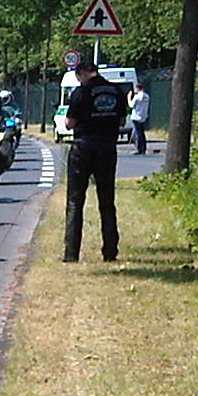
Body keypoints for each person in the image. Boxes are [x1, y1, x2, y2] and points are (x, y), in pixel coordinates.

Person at [63, 59, 129, 262]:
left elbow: (69, 123)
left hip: (83, 147)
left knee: (75, 201)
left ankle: (71, 253)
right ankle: (110, 251)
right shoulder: (116, 91)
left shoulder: (81, 92)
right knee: (107, 202)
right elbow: (122, 121)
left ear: (81, 73)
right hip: (107, 147)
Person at [129, 82, 152, 156]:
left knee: (138, 133)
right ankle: (143, 148)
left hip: (136, 116)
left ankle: (139, 149)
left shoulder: (137, 97)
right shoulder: (146, 96)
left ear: (138, 88)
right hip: (143, 116)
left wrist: (129, 97)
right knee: (142, 133)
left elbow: (131, 105)